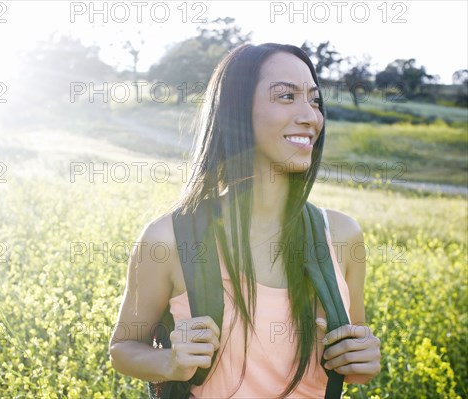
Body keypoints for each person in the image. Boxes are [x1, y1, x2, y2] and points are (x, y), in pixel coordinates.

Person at [109, 42, 381, 398]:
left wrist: (362, 360)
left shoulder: (342, 235)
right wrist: (171, 363)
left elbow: (352, 350)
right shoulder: (169, 239)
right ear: (235, 111)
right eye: (286, 97)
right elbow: (123, 349)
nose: (311, 116)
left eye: (314, 100)